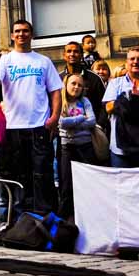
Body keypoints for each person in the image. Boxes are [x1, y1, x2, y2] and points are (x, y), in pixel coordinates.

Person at [0, 19, 62, 220]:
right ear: (12, 36)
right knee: (15, 175)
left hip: (39, 126)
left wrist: (55, 116)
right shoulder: (5, 60)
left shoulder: (43, 61)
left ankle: (42, 217)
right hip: (13, 126)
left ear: (32, 34)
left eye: (25, 31)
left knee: (41, 174)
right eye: (17, 31)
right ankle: (16, 219)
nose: (21, 34)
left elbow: (55, 90)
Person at [57, 73, 96, 218]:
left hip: (86, 147)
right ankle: (62, 221)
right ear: (66, 85)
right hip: (67, 148)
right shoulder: (60, 101)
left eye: (80, 85)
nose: (76, 87)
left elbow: (92, 121)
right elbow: (60, 122)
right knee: (66, 187)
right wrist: (80, 118)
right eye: (73, 83)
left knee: (88, 185)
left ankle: (88, 217)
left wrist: (70, 123)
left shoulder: (85, 101)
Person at [60, 40, 106, 127]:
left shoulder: (94, 78)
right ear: (64, 56)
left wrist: (99, 125)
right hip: (65, 134)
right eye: (69, 51)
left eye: (76, 51)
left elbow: (104, 104)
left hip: (91, 131)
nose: (72, 54)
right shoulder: (58, 78)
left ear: (81, 55)